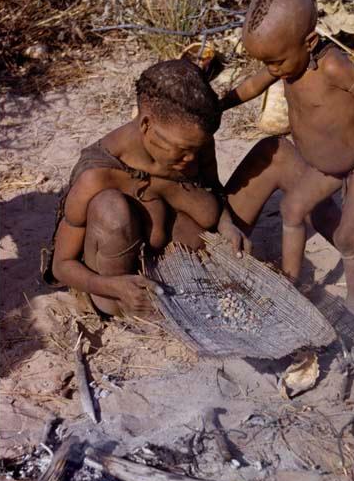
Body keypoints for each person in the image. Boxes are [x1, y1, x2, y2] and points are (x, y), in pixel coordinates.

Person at [220, 0, 354, 316]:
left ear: (309, 42)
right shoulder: (285, 61)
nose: (273, 70)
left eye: (276, 62)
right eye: (267, 62)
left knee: (346, 236)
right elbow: (253, 84)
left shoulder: (332, 67)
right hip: (329, 167)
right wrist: (222, 103)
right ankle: (292, 281)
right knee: (293, 209)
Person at [41, 58, 249, 317]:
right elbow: (61, 265)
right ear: (146, 125)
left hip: (184, 284)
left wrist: (227, 225)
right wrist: (114, 287)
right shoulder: (98, 175)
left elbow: (214, 192)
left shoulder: (193, 144)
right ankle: (127, 308)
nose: (192, 159)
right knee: (110, 207)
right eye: (184, 150)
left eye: (198, 149)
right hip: (117, 295)